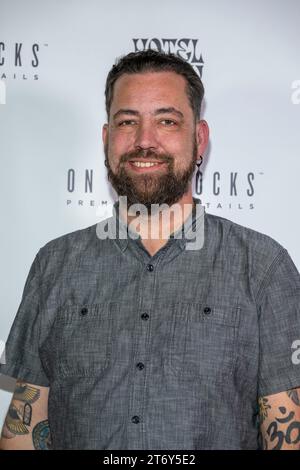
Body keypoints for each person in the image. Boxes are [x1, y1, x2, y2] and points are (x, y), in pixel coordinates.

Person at [0, 49, 300, 450]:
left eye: (167, 121)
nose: (145, 141)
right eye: (127, 122)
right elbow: (25, 430)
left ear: (199, 139)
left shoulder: (263, 266)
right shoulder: (54, 264)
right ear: (107, 139)